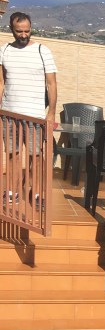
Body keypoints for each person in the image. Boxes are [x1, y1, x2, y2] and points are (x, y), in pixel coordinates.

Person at [0, 11, 58, 203]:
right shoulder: (4, 51)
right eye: (19, 31)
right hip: (9, 115)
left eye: (27, 30)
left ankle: (37, 192)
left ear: (31, 28)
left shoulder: (43, 51)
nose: (24, 35)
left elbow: (52, 84)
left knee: (36, 156)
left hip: (34, 116)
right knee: (12, 154)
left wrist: (51, 113)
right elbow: (1, 82)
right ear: (12, 29)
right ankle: (12, 191)